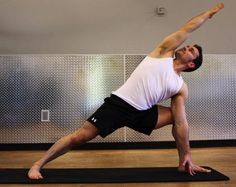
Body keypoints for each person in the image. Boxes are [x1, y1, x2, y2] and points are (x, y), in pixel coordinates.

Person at [28, 3, 224, 179]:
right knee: (79, 137)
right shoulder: (163, 53)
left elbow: (181, 122)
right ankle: (38, 165)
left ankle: (183, 163)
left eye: (191, 50)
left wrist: (188, 153)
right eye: (189, 46)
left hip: (143, 113)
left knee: (178, 116)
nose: (187, 47)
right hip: (119, 105)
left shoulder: (180, 87)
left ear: (191, 64)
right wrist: (208, 14)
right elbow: (187, 29)